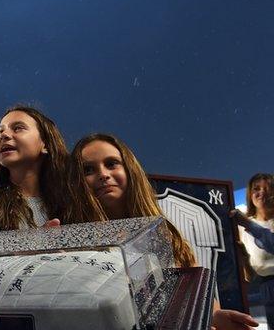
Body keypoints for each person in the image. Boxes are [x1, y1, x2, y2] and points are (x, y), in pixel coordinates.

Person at [66, 133, 259, 330]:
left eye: (112, 163)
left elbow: (197, 295)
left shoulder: (167, 234)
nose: (103, 174)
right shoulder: (72, 244)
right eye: (88, 169)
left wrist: (216, 316)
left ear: (130, 170)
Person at [0, 106, 68, 230]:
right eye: (0, 132)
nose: (4, 135)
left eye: (18, 128)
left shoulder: (72, 202)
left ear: (45, 144)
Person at [232, 173, 274, 328]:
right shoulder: (241, 229)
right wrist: (242, 259)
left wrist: (248, 224)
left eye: (268, 188)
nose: (262, 192)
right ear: (250, 194)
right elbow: (248, 274)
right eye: (256, 188)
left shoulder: (246, 225)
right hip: (262, 292)